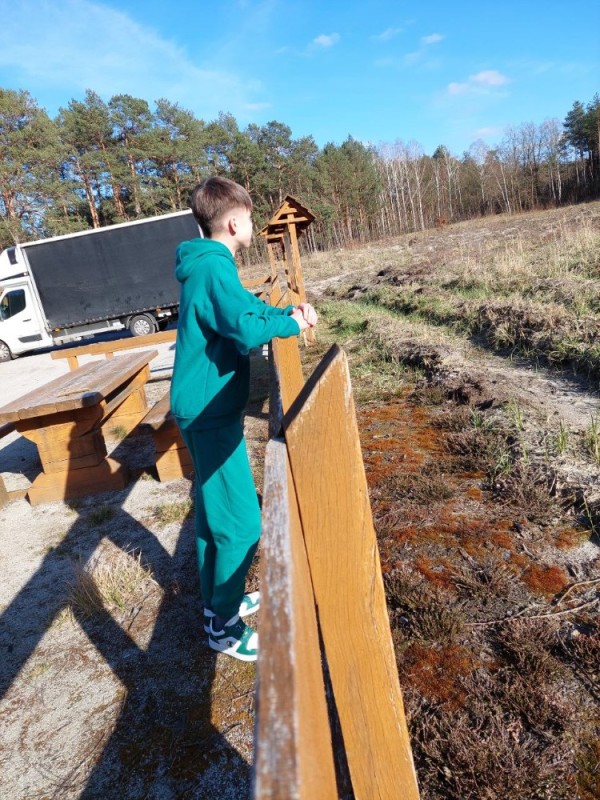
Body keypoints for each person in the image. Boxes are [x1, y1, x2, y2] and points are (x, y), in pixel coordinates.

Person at [170, 176, 317, 662]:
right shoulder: (214, 269)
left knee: (215, 518)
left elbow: (245, 308)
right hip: (209, 412)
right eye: (251, 218)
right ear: (235, 222)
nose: (253, 225)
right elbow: (242, 325)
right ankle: (224, 629)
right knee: (242, 524)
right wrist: (291, 324)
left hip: (206, 407)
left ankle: (219, 606)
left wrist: (281, 311)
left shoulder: (210, 268)